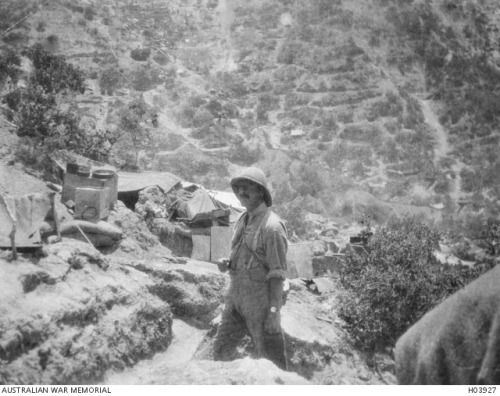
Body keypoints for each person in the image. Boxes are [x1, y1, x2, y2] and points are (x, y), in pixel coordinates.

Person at [213, 167, 288, 370]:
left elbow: (277, 275)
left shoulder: (272, 227)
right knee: (220, 347)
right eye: (239, 188)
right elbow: (242, 254)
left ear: (261, 192)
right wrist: (227, 262)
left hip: (260, 302)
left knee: (269, 359)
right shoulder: (241, 219)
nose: (241, 193)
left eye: (248, 188)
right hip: (236, 296)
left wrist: (274, 312)